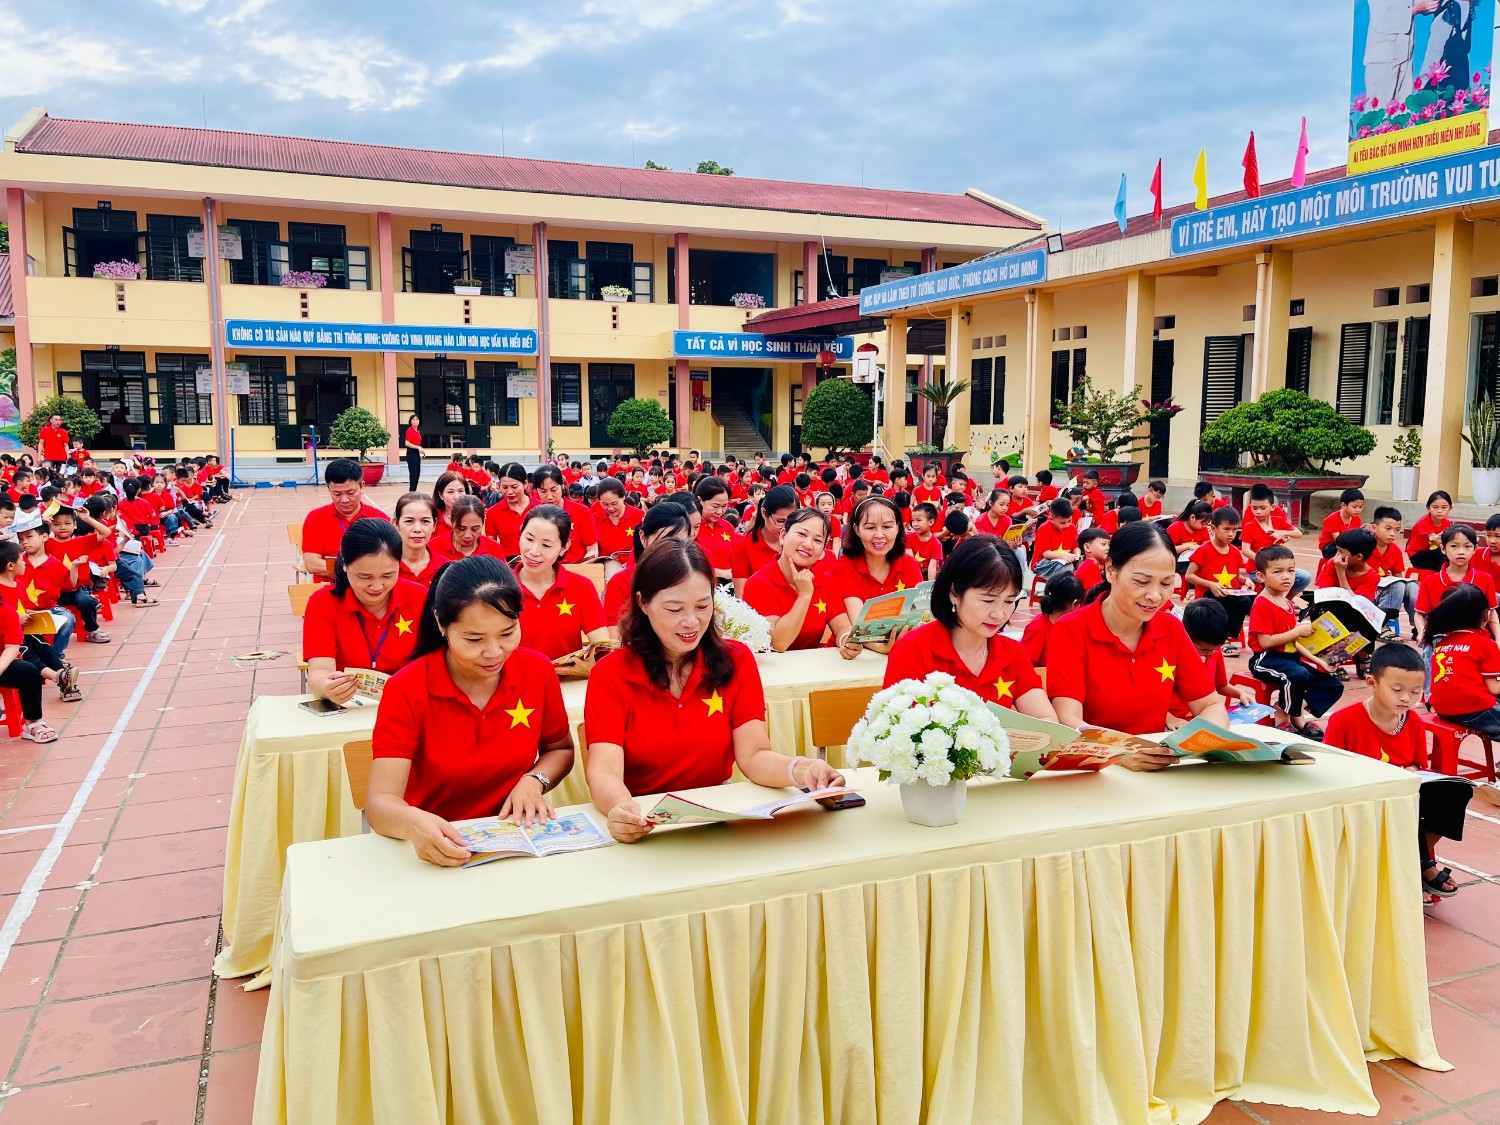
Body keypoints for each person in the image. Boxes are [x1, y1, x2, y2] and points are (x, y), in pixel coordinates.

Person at [585, 539, 844, 843]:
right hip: (645, 821)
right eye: (674, 609)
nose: (691, 622)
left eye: (702, 606)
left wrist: (805, 770)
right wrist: (623, 810)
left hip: (717, 818)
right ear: (643, 603)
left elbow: (754, 756)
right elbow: (604, 771)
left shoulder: (736, 661)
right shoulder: (610, 674)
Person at [368, 557, 575, 865]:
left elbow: (560, 750)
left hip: (515, 841)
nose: (494, 652)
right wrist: (413, 823)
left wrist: (535, 780)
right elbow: (379, 803)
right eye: (474, 639)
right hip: (438, 848)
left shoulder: (537, 671)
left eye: (507, 633)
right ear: (441, 624)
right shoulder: (407, 688)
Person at [1046, 521, 1227, 749]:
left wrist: (1195, 744)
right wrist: (1126, 752)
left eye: (1166, 583)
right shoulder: (1072, 629)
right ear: (1111, 570)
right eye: (1141, 581)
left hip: (1155, 758)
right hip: (1097, 760)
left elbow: (1211, 705)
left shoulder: (1170, 628)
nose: (1155, 596)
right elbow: (1069, 719)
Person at [1325, 642, 1474, 900]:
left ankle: (1414, 860)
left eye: (1415, 692)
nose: (1406, 698)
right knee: (1399, 803)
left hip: (1401, 790)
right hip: (1360, 796)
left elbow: (1417, 764)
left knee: (1455, 791)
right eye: (1397, 690)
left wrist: (1408, 772)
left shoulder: (1412, 720)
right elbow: (1330, 772)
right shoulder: (1344, 720)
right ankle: (1419, 865)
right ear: (1371, 683)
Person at [884, 536, 1053, 717]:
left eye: (1009, 601)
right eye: (988, 600)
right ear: (954, 592)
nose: (999, 614)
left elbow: (1047, 720)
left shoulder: (1012, 653)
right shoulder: (913, 650)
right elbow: (893, 723)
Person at [302, 518, 427, 704]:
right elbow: (319, 671)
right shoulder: (323, 603)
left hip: (409, 704)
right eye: (365, 577)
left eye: (388, 575)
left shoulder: (420, 598)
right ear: (345, 565)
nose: (377, 586)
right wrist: (327, 687)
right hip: (349, 706)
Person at [1247, 545, 1343, 739]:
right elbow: (1265, 642)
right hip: (1266, 659)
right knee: (1297, 675)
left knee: (1332, 685)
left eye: (1291, 571)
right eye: (1278, 572)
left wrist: (1320, 661)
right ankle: (1285, 716)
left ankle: (1292, 709)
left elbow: (1294, 643)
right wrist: (1297, 631)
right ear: (1261, 576)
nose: (1286, 577)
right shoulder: (1262, 604)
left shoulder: (1288, 603)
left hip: (1290, 659)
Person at [743, 508, 854, 654]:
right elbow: (778, 643)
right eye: (802, 534)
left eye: (817, 540)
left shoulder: (827, 582)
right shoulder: (758, 584)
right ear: (783, 535)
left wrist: (848, 641)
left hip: (812, 667)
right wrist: (804, 596)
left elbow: (843, 627)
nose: (808, 544)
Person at [832, 496, 925, 653]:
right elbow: (860, 625)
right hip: (855, 655)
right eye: (870, 528)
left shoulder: (909, 565)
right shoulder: (844, 567)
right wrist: (882, 647)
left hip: (903, 651)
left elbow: (918, 617)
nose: (879, 535)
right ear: (857, 529)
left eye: (887, 526)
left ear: (898, 527)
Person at [514, 506, 608, 660]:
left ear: (564, 548)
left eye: (546, 545)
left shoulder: (581, 587)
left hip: (567, 674)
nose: (534, 551)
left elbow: (602, 646)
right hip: (515, 675)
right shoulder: (501, 587)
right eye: (529, 539)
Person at [603, 503, 692, 633]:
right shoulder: (621, 583)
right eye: (663, 541)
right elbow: (615, 636)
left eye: (678, 542)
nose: (671, 549)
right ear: (643, 538)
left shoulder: (696, 577)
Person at [0, 540, 56, 742]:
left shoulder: (7, 612)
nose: (25, 562)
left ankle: (33, 722)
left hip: (2, 661)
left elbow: (11, 648)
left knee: (27, 671)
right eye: (22, 559)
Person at [1427, 582, 1500, 737]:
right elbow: (1495, 688)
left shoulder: (1442, 643)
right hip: (1474, 709)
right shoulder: (1486, 645)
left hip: (1442, 709)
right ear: (1486, 615)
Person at [301, 459, 389, 582]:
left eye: (350, 493)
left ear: (362, 486)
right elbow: (312, 564)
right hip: (330, 586)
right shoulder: (316, 518)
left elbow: (390, 559)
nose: (344, 500)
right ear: (329, 489)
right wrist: (356, 571)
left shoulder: (379, 519)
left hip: (371, 587)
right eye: (337, 494)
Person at [1416, 525, 1500, 643]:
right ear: (1443, 548)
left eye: (1467, 546)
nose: (1461, 552)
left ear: (1475, 549)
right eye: (1454, 546)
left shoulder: (1485, 579)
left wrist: (1498, 639)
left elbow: (1491, 613)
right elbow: (1420, 613)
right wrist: (1422, 632)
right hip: (1440, 640)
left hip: (1476, 640)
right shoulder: (1430, 581)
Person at [1184, 506, 1256, 643]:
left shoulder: (1235, 552)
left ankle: (1231, 634)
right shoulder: (1204, 550)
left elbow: (1237, 576)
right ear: (1214, 528)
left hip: (1229, 593)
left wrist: (1245, 581)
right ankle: (1223, 637)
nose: (1231, 534)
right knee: (1237, 602)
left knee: (1252, 600)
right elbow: (1189, 576)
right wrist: (1210, 584)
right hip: (1208, 594)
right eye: (1226, 529)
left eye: (1234, 530)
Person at [45, 505, 111, 643]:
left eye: (67, 523)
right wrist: (43, 520)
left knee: (86, 601)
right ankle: (49, 636)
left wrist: (87, 518)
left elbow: (106, 532)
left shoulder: (82, 541)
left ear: (75, 525)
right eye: (57, 524)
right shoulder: (46, 543)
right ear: (51, 527)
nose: (62, 527)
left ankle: (92, 630)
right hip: (56, 589)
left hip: (80, 588)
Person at [731, 485, 796, 597]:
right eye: (780, 521)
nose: (786, 528)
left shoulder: (799, 543)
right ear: (764, 513)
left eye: (792, 521)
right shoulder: (744, 546)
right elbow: (741, 595)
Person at [532, 466, 599, 564]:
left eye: (554, 490)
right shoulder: (533, 514)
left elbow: (592, 550)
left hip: (576, 567)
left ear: (562, 485)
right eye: (543, 491)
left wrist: (580, 567)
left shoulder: (581, 511)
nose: (549, 496)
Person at [1369, 505, 1419, 634]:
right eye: (1388, 529)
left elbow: (1397, 574)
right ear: (1374, 527)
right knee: (1397, 585)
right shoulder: (1365, 546)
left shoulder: (1394, 549)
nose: (1393, 534)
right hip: (1368, 588)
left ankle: (1418, 626)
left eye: (1397, 530)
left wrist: (1403, 585)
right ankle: (1382, 624)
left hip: (1385, 586)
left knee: (1412, 586)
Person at [1021, 573, 1084, 666]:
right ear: (1074, 604)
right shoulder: (1038, 628)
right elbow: (1022, 662)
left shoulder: (1072, 626)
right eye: (1079, 603)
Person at [592, 477, 644, 576]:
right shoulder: (595, 518)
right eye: (605, 504)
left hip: (635, 562)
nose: (610, 508)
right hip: (608, 564)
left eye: (614, 503)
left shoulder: (639, 516)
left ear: (623, 497)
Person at [393, 493, 443, 587]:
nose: (417, 529)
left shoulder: (445, 568)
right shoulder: (384, 566)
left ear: (434, 524)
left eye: (425, 521)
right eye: (409, 521)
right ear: (396, 523)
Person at [433, 495, 504, 561]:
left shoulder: (494, 549)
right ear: (451, 520)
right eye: (461, 529)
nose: (468, 535)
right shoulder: (434, 547)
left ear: (483, 522)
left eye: (475, 529)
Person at [484, 463, 533, 557]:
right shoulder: (493, 512)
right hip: (508, 563)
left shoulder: (540, 508)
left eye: (514, 487)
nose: (509, 492)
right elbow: (491, 546)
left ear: (525, 484)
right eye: (505, 487)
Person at [1031, 498, 1081, 581]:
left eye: (1069, 521)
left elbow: (1075, 548)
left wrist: (1076, 556)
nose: (1067, 525)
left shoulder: (1072, 528)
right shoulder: (1044, 529)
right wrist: (1063, 556)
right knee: (1067, 569)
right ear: (1051, 518)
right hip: (1044, 563)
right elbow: (1046, 554)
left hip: (1065, 560)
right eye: (1062, 523)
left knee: (1083, 566)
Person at [1407, 490, 1453, 571]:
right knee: (1446, 555)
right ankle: (1441, 577)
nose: (1439, 511)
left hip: (1434, 552)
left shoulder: (1447, 523)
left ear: (1450, 508)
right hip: (1418, 555)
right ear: (1428, 508)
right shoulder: (1423, 522)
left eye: (1444, 507)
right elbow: (1436, 541)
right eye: (1435, 507)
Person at [1319, 488, 1365, 559]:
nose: (1358, 510)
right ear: (1343, 505)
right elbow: (1338, 540)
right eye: (1354, 507)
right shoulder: (1332, 518)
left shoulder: (1357, 518)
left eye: (1360, 507)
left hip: (1347, 544)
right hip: (1331, 547)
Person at [403, 414, 423, 493]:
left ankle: (414, 489)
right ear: (410, 421)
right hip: (411, 453)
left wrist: (420, 449)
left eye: (417, 419)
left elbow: (416, 443)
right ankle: (412, 490)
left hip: (416, 452)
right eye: (413, 420)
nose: (415, 421)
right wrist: (417, 447)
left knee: (418, 472)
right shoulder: (409, 430)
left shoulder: (418, 431)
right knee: (413, 472)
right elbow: (407, 443)